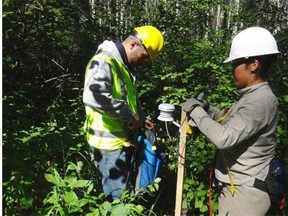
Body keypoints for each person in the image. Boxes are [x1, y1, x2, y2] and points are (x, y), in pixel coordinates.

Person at [183, 26, 280, 215]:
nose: (231, 70)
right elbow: (232, 124)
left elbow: (224, 138)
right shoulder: (253, 96)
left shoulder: (259, 101)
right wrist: (208, 110)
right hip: (242, 189)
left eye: (235, 63)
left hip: (246, 196)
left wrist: (194, 109)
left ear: (253, 65)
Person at [83, 25, 164, 201]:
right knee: (120, 203)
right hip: (107, 146)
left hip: (119, 144)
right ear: (134, 45)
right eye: (144, 57)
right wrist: (129, 116)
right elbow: (93, 96)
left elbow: (130, 99)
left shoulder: (122, 65)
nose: (143, 63)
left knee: (123, 197)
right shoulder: (104, 61)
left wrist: (141, 119)